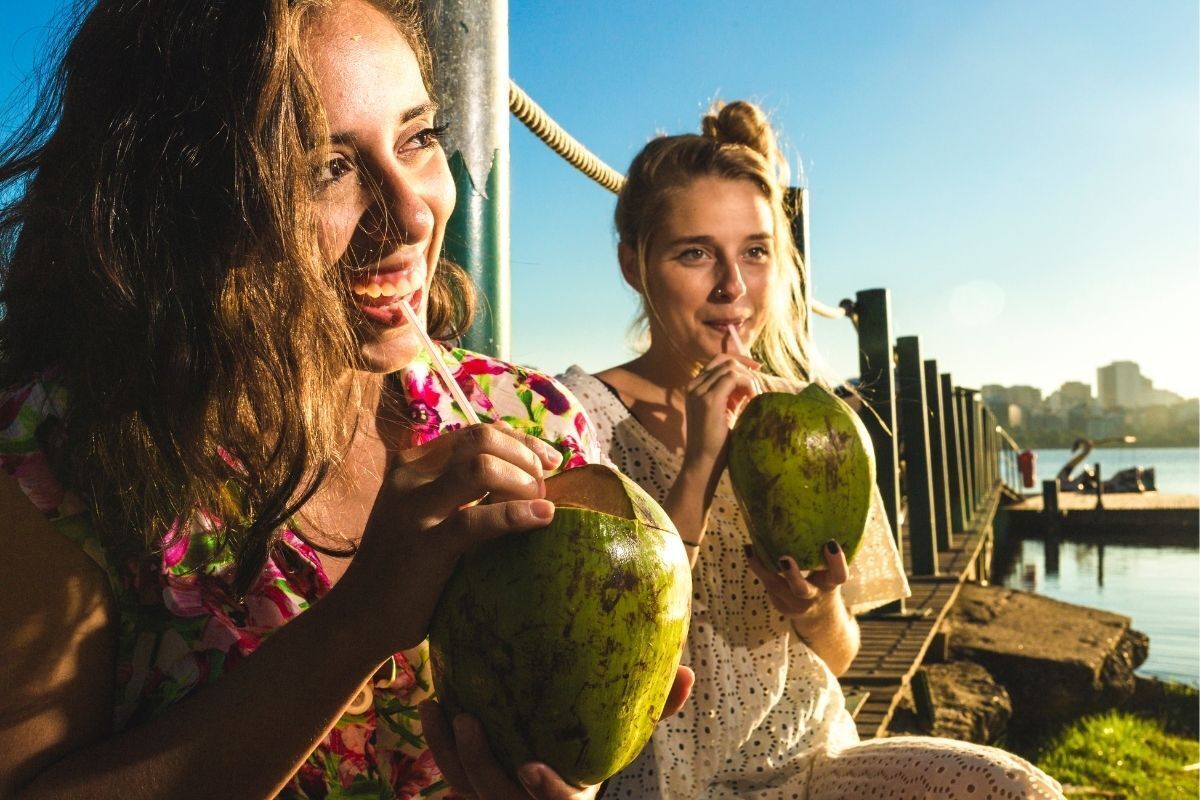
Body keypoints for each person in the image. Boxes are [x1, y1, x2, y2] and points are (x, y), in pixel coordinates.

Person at [0, 1, 690, 798]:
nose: (409, 214)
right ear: (181, 199)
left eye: (417, 138)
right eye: (324, 167)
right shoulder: (58, 458)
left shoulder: (532, 421)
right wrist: (358, 624)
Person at [559, 100, 1065, 798]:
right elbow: (593, 665)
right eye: (696, 253)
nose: (732, 287)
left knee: (1020, 791)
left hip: (811, 762)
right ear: (633, 263)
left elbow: (843, 651)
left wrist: (815, 607)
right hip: (658, 782)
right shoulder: (575, 418)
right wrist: (701, 465)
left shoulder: (819, 421)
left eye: (756, 252)